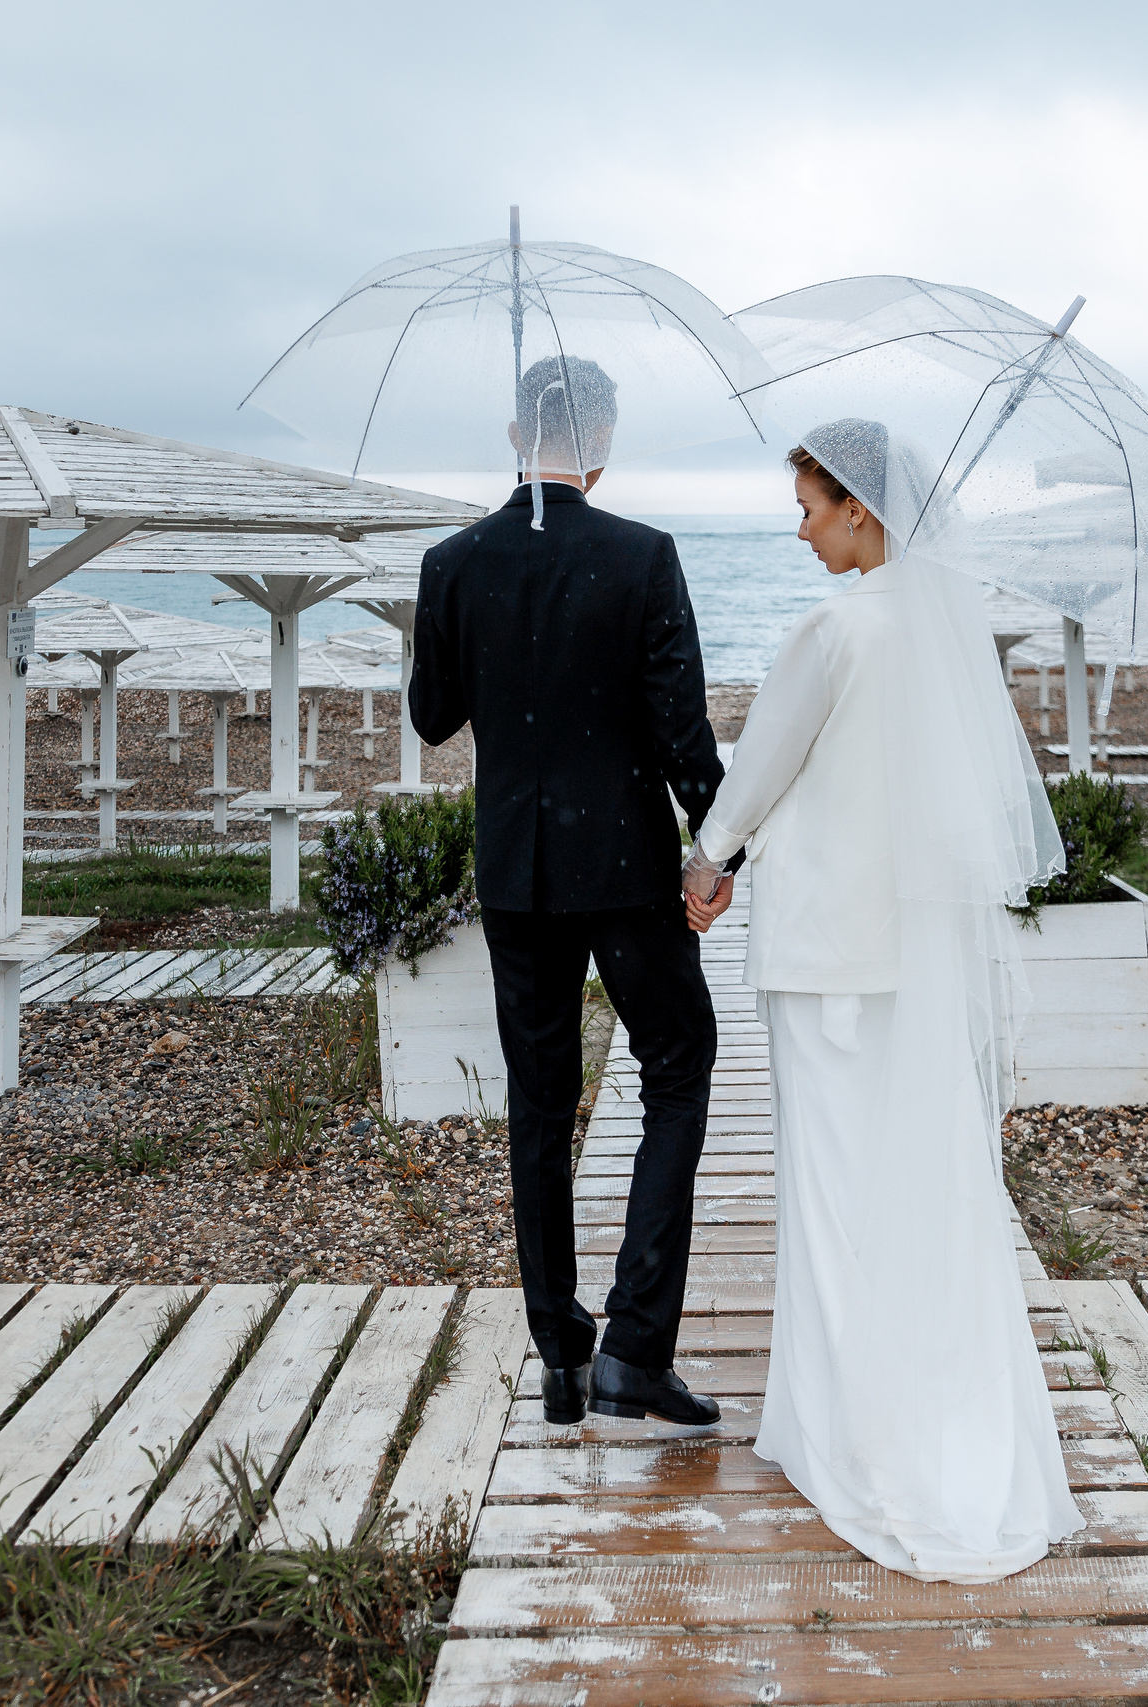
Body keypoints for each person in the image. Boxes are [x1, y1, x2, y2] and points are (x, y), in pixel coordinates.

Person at [679, 418, 1080, 1582]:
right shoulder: (944, 632)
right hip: (912, 950)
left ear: (859, 508)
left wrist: (707, 863)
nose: (797, 531)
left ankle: (852, 1432)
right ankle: (932, 1411)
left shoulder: (838, 626)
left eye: (808, 507)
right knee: (912, 1186)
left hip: (822, 954)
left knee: (833, 1190)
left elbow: (758, 772)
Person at [408, 352, 731, 1428]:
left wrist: (477, 619)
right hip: (629, 871)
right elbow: (683, 734)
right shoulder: (644, 557)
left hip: (516, 873)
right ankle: (637, 1346)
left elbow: (432, 717)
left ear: (513, 436)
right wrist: (719, 851)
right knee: (678, 1064)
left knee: (538, 1106)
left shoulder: (452, 562)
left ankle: (560, 1353)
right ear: (602, 443)